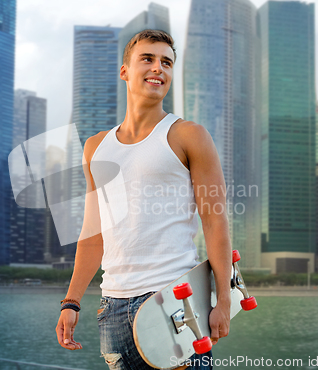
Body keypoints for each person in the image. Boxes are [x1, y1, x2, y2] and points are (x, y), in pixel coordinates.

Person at [56, 29, 232, 370]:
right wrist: (72, 301)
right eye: (148, 59)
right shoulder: (95, 147)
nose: (158, 68)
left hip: (175, 302)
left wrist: (223, 298)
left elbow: (215, 220)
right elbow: (93, 233)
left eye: (166, 62)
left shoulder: (188, 135)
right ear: (125, 71)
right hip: (112, 309)